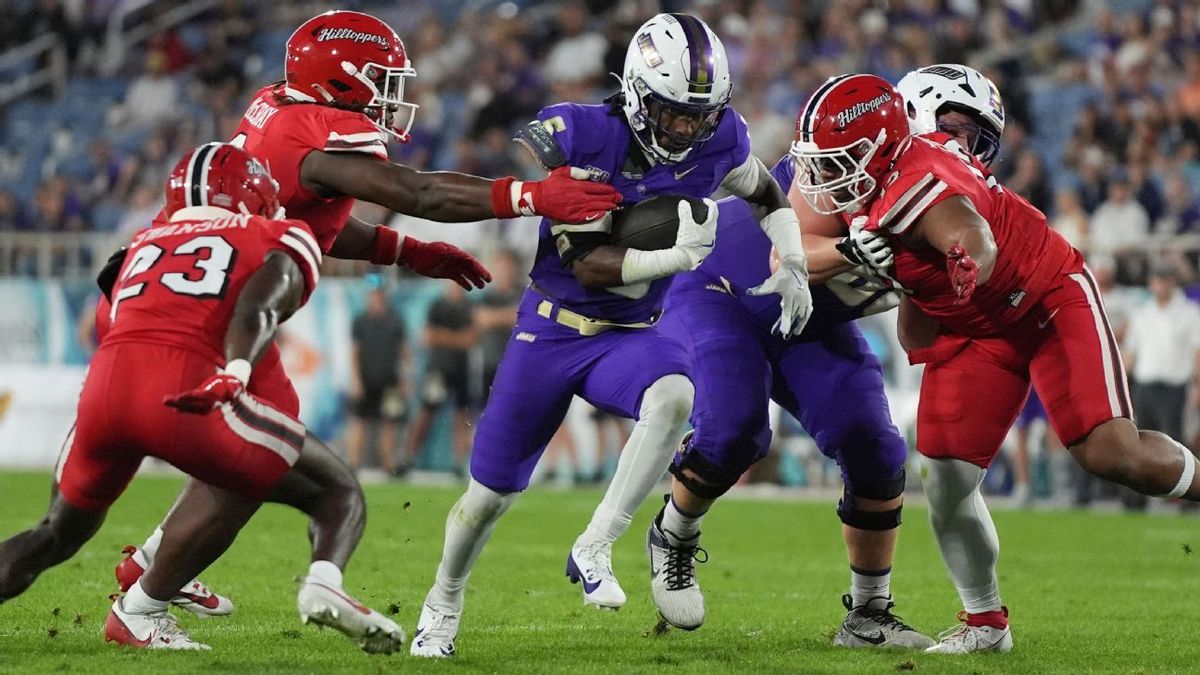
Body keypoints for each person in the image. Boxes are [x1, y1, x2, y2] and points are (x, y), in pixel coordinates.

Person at [108, 8, 622, 617]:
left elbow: (313, 217)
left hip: (191, 293)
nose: (390, 95)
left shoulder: (278, 107)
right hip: (206, 313)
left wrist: (408, 250)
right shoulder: (318, 129)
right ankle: (144, 605)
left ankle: (155, 563)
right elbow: (415, 192)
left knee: (251, 444)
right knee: (259, 458)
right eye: (381, 79)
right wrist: (530, 195)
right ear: (341, 77)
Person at [411, 13, 813, 657]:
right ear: (637, 93)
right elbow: (587, 264)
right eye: (673, 112)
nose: (686, 129)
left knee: (676, 397)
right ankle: (443, 600)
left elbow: (766, 194)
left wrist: (791, 259)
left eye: (699, 116)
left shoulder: (719, 138)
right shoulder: (587, 134)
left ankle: (596, 542)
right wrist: (677, 257)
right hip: (551, 330)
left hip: (631, 333)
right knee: (486, 498)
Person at [791, 73, 1200, 655]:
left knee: (1111, 453)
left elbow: (969, 230)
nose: (826, 175)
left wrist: (966, 261)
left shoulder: (919, 179)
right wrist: (860, 256)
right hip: (973, 329)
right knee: (946, 480)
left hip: (1044, 300)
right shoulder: (871, 182)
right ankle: (985, 624)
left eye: (839, 159)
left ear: (880, 146)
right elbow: (796, 257)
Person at [0, 144, 403, 653]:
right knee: (335, 490)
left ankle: (152, 569)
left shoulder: (141, 242)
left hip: (104, 390)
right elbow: (259, 306)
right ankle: (322, 583)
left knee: (55, 533)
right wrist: (236, 369)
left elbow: (108, 319)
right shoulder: (275, 233)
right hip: (183, 388)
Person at [1120, 262, 1200, 510]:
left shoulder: (1189, 313)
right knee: (1138, 443)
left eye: (1165, 280)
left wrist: (1198, 385)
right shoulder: (1142, 314)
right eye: (1157, 280)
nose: (1161, 285)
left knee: (1177, 442)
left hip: (1174, 387)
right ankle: (1136, 500)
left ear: (1173, 283)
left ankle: (1188, 498)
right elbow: (1131, 353)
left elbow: (1197, 352)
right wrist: (1119, 382)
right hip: (1144, 386)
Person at [405, 281, 480, 475]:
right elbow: (428, 337)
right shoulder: (438, 306)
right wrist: (457, 338)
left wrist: (443, 336)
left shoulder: (468, 306)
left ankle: (459, 463)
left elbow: (470, 339)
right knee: (426, 413)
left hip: (461, 370)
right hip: (438, 370)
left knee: (461, 416)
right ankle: (408, 458)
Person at [346, 277, 409, 476]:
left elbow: (404, 352)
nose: (377, 297)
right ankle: (353, 464)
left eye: (379, 293)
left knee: (389, 423)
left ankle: (389, 466)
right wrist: (356, 380)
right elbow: (354, 353)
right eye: (374, 294)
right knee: (359, 422)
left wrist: (406, 379)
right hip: (366, 379)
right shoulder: (360, 321)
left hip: (390, 380)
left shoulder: (395, 320)